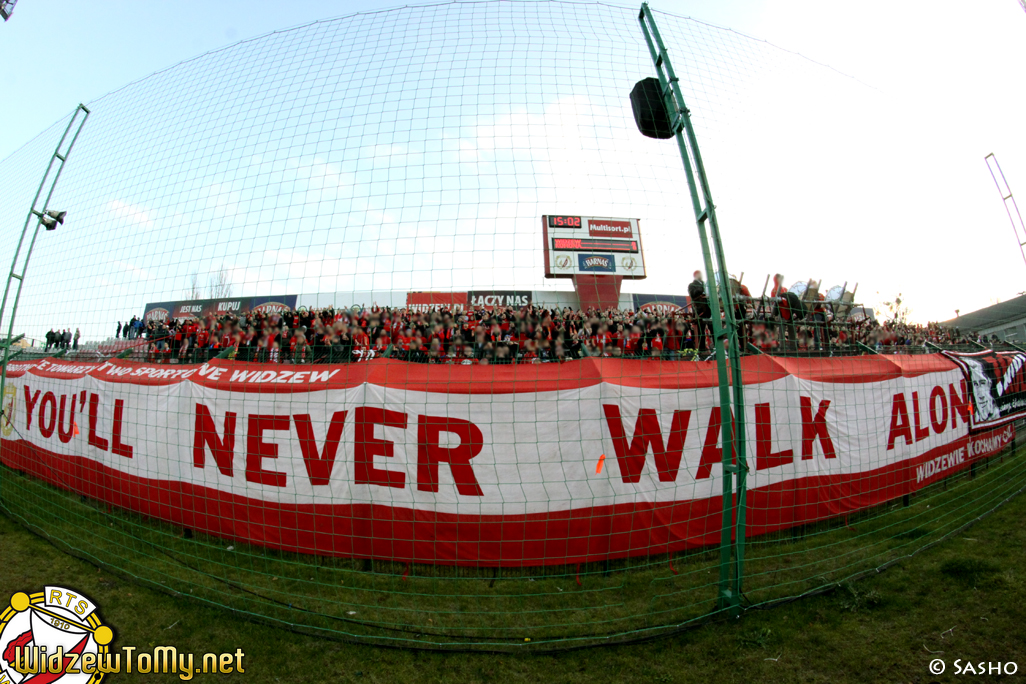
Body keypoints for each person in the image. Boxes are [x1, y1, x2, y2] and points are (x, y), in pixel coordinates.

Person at [688, 270, 712, 353]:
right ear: (695, 275)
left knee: (712, 328)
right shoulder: (692, 285)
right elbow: (693, 294)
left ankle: (715, 347)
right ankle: (702, 350)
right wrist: (702, 290)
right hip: (700, 309)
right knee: (701, 331)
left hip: (709, 309)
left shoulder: (706, 284)